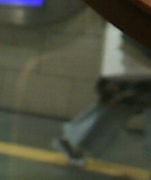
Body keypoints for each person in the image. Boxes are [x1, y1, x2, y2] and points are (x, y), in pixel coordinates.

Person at [54, 24, 151, 166]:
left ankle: (73, 140)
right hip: (141, 48)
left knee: (124, 102)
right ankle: (73, 140)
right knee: (123, 101)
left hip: (138, 45)